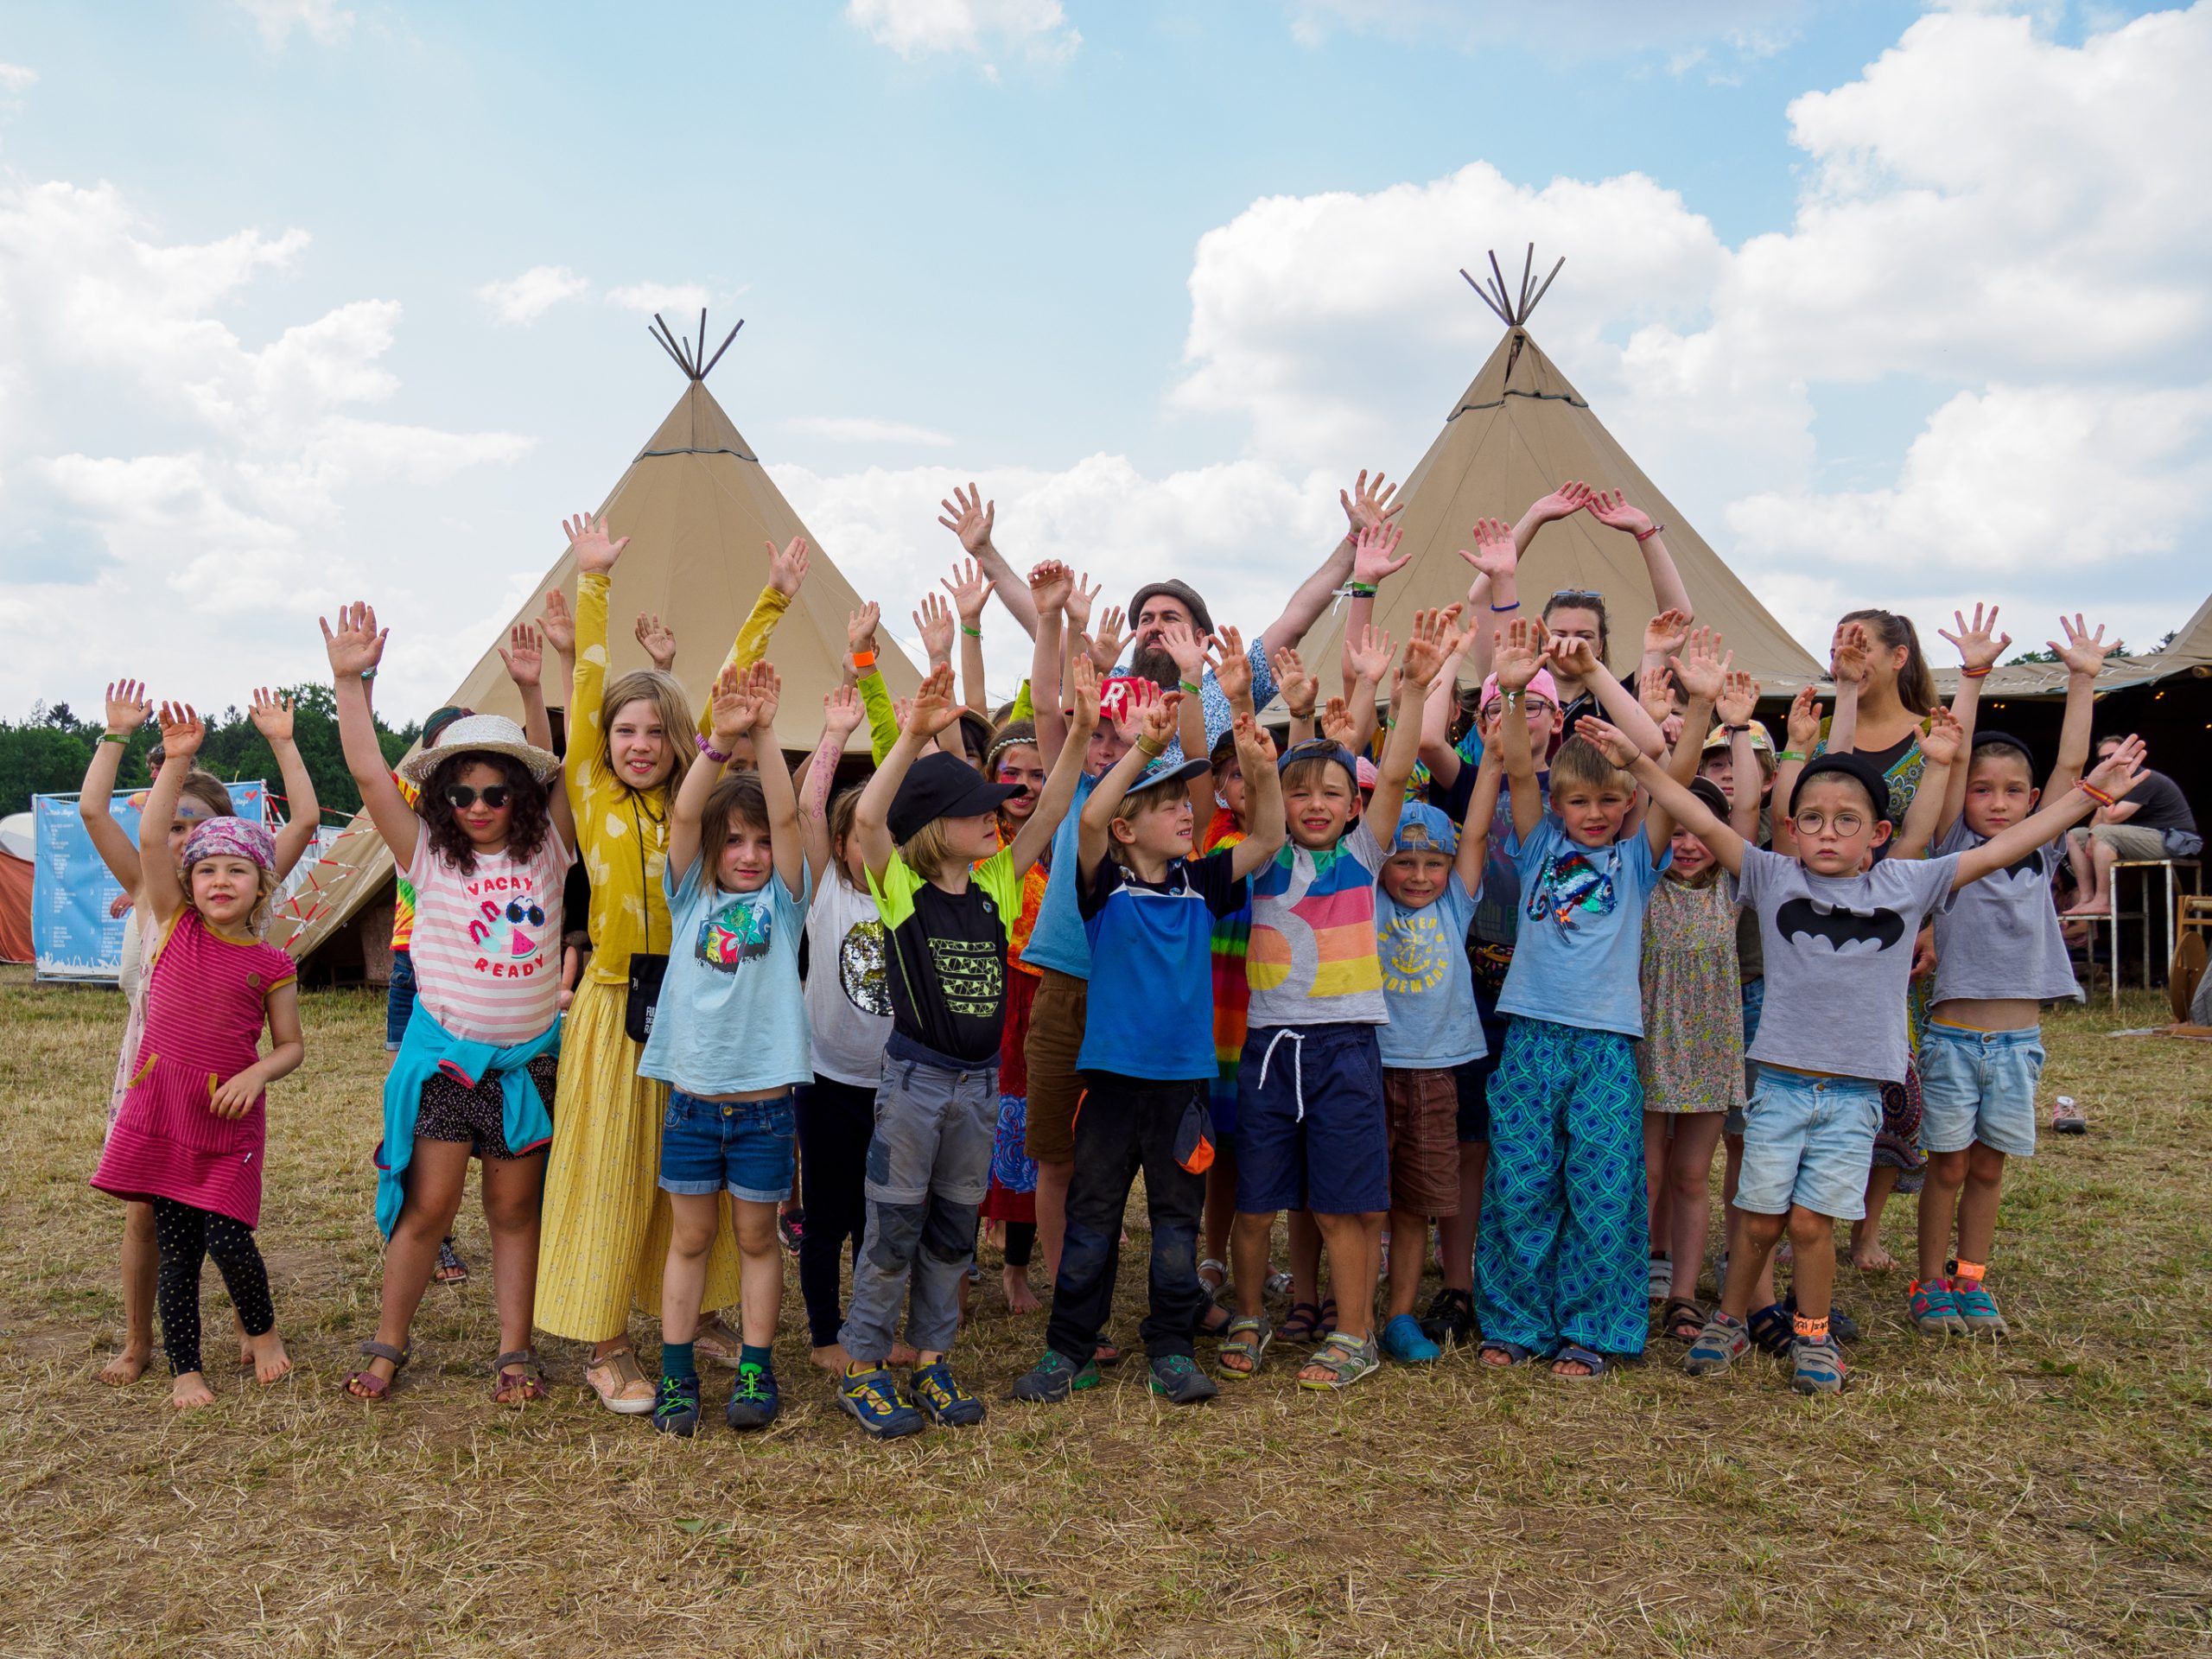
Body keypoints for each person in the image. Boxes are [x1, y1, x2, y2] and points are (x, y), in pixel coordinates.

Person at [1618, 721, 2149, 1393]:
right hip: (1779, 1087)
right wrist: (1638, 760)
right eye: (1811, 819)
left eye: (1846, 820)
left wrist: (2087, 797)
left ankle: (1813, 1335)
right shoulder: (1772, 876)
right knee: (1758, 1221)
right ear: (1791, 828)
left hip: (1852, 1096)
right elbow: (1694, 810)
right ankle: (1730, 1319)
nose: (1828, 832)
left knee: (1812, 1223)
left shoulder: (1906, 885)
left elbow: (2011, 843)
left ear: (1876, 834)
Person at [534, 514, 800, 1413]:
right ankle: (608, 1345)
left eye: (655, 731)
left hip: (702, 1010)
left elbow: (735, 694)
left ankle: (702, 1320)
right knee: (613, 1174)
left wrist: (771, 605)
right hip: (616, 1003)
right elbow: (588, 684)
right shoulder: (594, 791)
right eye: (625, 731)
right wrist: (594, 583)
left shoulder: (707, 814)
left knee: (695, 1178)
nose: (639, 744)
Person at [836, 662, 1096, 1439]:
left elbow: (1050, 812)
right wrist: (912, 733)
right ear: (932, 829)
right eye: (976, 809)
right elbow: (867, 823)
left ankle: (932, 1359)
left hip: (978, 1090)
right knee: (892, 1230)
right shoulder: (901, 891)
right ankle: (863, 1368)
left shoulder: (997, 888)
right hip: (914, 1086)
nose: (997, 815)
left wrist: (1079, 730)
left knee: (953, 1228)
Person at [1010, 677, 1284, 1406]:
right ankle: (1069, 1347)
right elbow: (1094, 814)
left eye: (1184, 801)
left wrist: (1261, 772)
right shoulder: (1102, 887)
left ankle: (1168, 1343)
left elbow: (1268, 837)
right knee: (1093, 1219)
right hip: (1110, 1088)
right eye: (1167, 805)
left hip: (1182, 1091)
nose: (1186, 812)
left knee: (1174, 1224)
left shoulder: (1205, 883)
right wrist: (1148, 751)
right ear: (1130, 831)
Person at [324, 604, 574, 1403]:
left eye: (495, 790)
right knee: (428, 1207)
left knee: (512, 1208)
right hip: (447, 1067)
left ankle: (513, 1351)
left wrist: (537, 696)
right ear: (440, 799)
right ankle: (388, 1342)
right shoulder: (427, 855)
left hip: (526, 1067)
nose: (477, 803)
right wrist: (348, 682)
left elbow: (559, 769)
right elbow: (367, 774)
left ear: (520, 795)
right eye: (460, 791)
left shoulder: (548, 850)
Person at [1218, 608, 1452, 1391]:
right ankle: (1249, 1316)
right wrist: (1265, 710)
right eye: (1299, 793)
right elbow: (1258, 775)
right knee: (1256, 1203)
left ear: (1352, 808)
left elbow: (1390, 773)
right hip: (1268, 1050)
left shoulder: (1363, 853)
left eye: (1330, 792)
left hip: (1347, 1048)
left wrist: (1408, 691)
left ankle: (1354, 1334)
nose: (1315, 803)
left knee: (1345, 1204)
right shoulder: (1258, 858)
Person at [79, 679, 319, 1389]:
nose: (197, 850)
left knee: (221, 1224)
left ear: (254, 868)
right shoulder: (168, 902)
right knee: (149, 1221)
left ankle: (253, 1325)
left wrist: (282, 739)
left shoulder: (247, 907)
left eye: (206, 831)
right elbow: (126, 825)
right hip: (155, 1070)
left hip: (223, 1085)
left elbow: (303, 817)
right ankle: (141, 1342)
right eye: (182, 834)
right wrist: (148, 748)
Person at [1475, 619, 1673, 1380]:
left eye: (1608, 801)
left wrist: (1594, 677)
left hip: (1603, 1045)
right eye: (1579, 800)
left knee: (1601, 1187)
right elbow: (1521, 773)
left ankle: (1591, 1328)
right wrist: (1519, 686)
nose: (1593, 813)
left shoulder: (1636, 859)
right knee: (1520, 1181)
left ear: (1627, 804)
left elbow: (1662, 758)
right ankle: (1516, 1321)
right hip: (1531, 1035)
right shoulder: (1538, 846)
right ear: (1559, 804)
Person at [1904, 612, 2111, 1338]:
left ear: (2031, 803)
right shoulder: (1955, 849)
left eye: (2012, 792)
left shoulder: (2041, 849)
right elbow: (1952, 760)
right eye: (1984, 790)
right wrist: (1972, 676)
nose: (1997, 802)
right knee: (1950, 1168)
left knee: (1989, 1171)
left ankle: (1972, 1279)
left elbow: (2070, 768)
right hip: (1956, 1041)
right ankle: (1929, 1283)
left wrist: (2082, 678)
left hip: (2020, 1044)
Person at [641, 662, 810, 1436]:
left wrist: (767, 733)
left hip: (766, 1110)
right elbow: (681, 821)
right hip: (693, 1105)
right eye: (733, 841)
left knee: (756, 1240)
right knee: (691, 1239)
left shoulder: (786, 900)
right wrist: (716, 744)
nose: (749, 853)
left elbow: (788, 814)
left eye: (760, 842)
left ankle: (755, 1366)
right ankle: (677, 1377)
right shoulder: (690, 897)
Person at [1637, 639, 1760, 1344]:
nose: (1687, 843)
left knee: (1691, 1177)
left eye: (1699, 833)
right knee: (1646, 1174)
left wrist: (1736, 730)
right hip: (1650, 1042)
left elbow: (1741, 818)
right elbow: (1653, 796)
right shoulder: (1645, 884)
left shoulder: (1737, 888)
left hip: (1711, 1052)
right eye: (1675, 831)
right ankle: (1633, 1276)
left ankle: (1684, 1293)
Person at [1818, 610, 1943, 1274]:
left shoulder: (1929, 740)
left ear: (1899, 657)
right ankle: (1804, 1214)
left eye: (1860, 643)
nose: (1846, 652)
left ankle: (1866, 1231)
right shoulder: (1824, 728)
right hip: (1821, 927)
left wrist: (1927, 920)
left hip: (1899, 923)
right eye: (1838, 641)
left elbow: (1938, 838)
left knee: (1896, 1073)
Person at [1371, 753, 1498, 1364]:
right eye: (1404, 862)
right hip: (1372, 1064)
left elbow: (1475, 831)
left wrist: (1493, 762)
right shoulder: (1369, 900)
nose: (1419, 876)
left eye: (1433, 864)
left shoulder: (1455, 906)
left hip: (1436, 1069)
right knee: (1366, 1195)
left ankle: (1399, 1315)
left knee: (1415, 1201)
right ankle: (1348, 1306)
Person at [792, 687, 896, 1373]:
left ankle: (870, 1332)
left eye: (881, 831)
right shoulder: (823, 888)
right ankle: (827, 1336)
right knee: (828, 1218)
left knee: (880, 1222)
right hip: (828, 1081)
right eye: (859, 832)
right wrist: (834, 733)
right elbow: (803, 805)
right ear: (838, 843)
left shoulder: (906, 894)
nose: (872, 843)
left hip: (895, 1089)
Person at [382, 700, 477, 1288]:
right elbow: (374, 776)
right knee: (415, 1111)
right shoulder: (415, 803)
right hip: (412, 958)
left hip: (474, 965)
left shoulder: (494, 806)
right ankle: (429, 1236)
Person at [980, 715, 1051, 1314]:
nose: (1025, 785)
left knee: (1029, 1137)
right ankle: (955, 1273)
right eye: (1012, 773)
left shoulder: (1063, 840)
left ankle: (1016, 1270)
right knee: (973, 1131)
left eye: (1038, 774)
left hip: (1044, 1000)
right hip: (986, 994)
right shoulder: (974, 835)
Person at [2061, 733, 2202, 914]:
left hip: (2175, 839)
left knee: (2104, 832)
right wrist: (2090, 838)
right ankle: (2086, 898)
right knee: (2075, 835)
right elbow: (2099, 818)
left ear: (2129, 756)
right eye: (2102, 759)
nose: (2107, 761)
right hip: (2146, 835)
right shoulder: (2114, 782)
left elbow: (2112, 818)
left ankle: (2104, 901)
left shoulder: (2143, 778)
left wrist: (2100, 791)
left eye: (2112, 756)